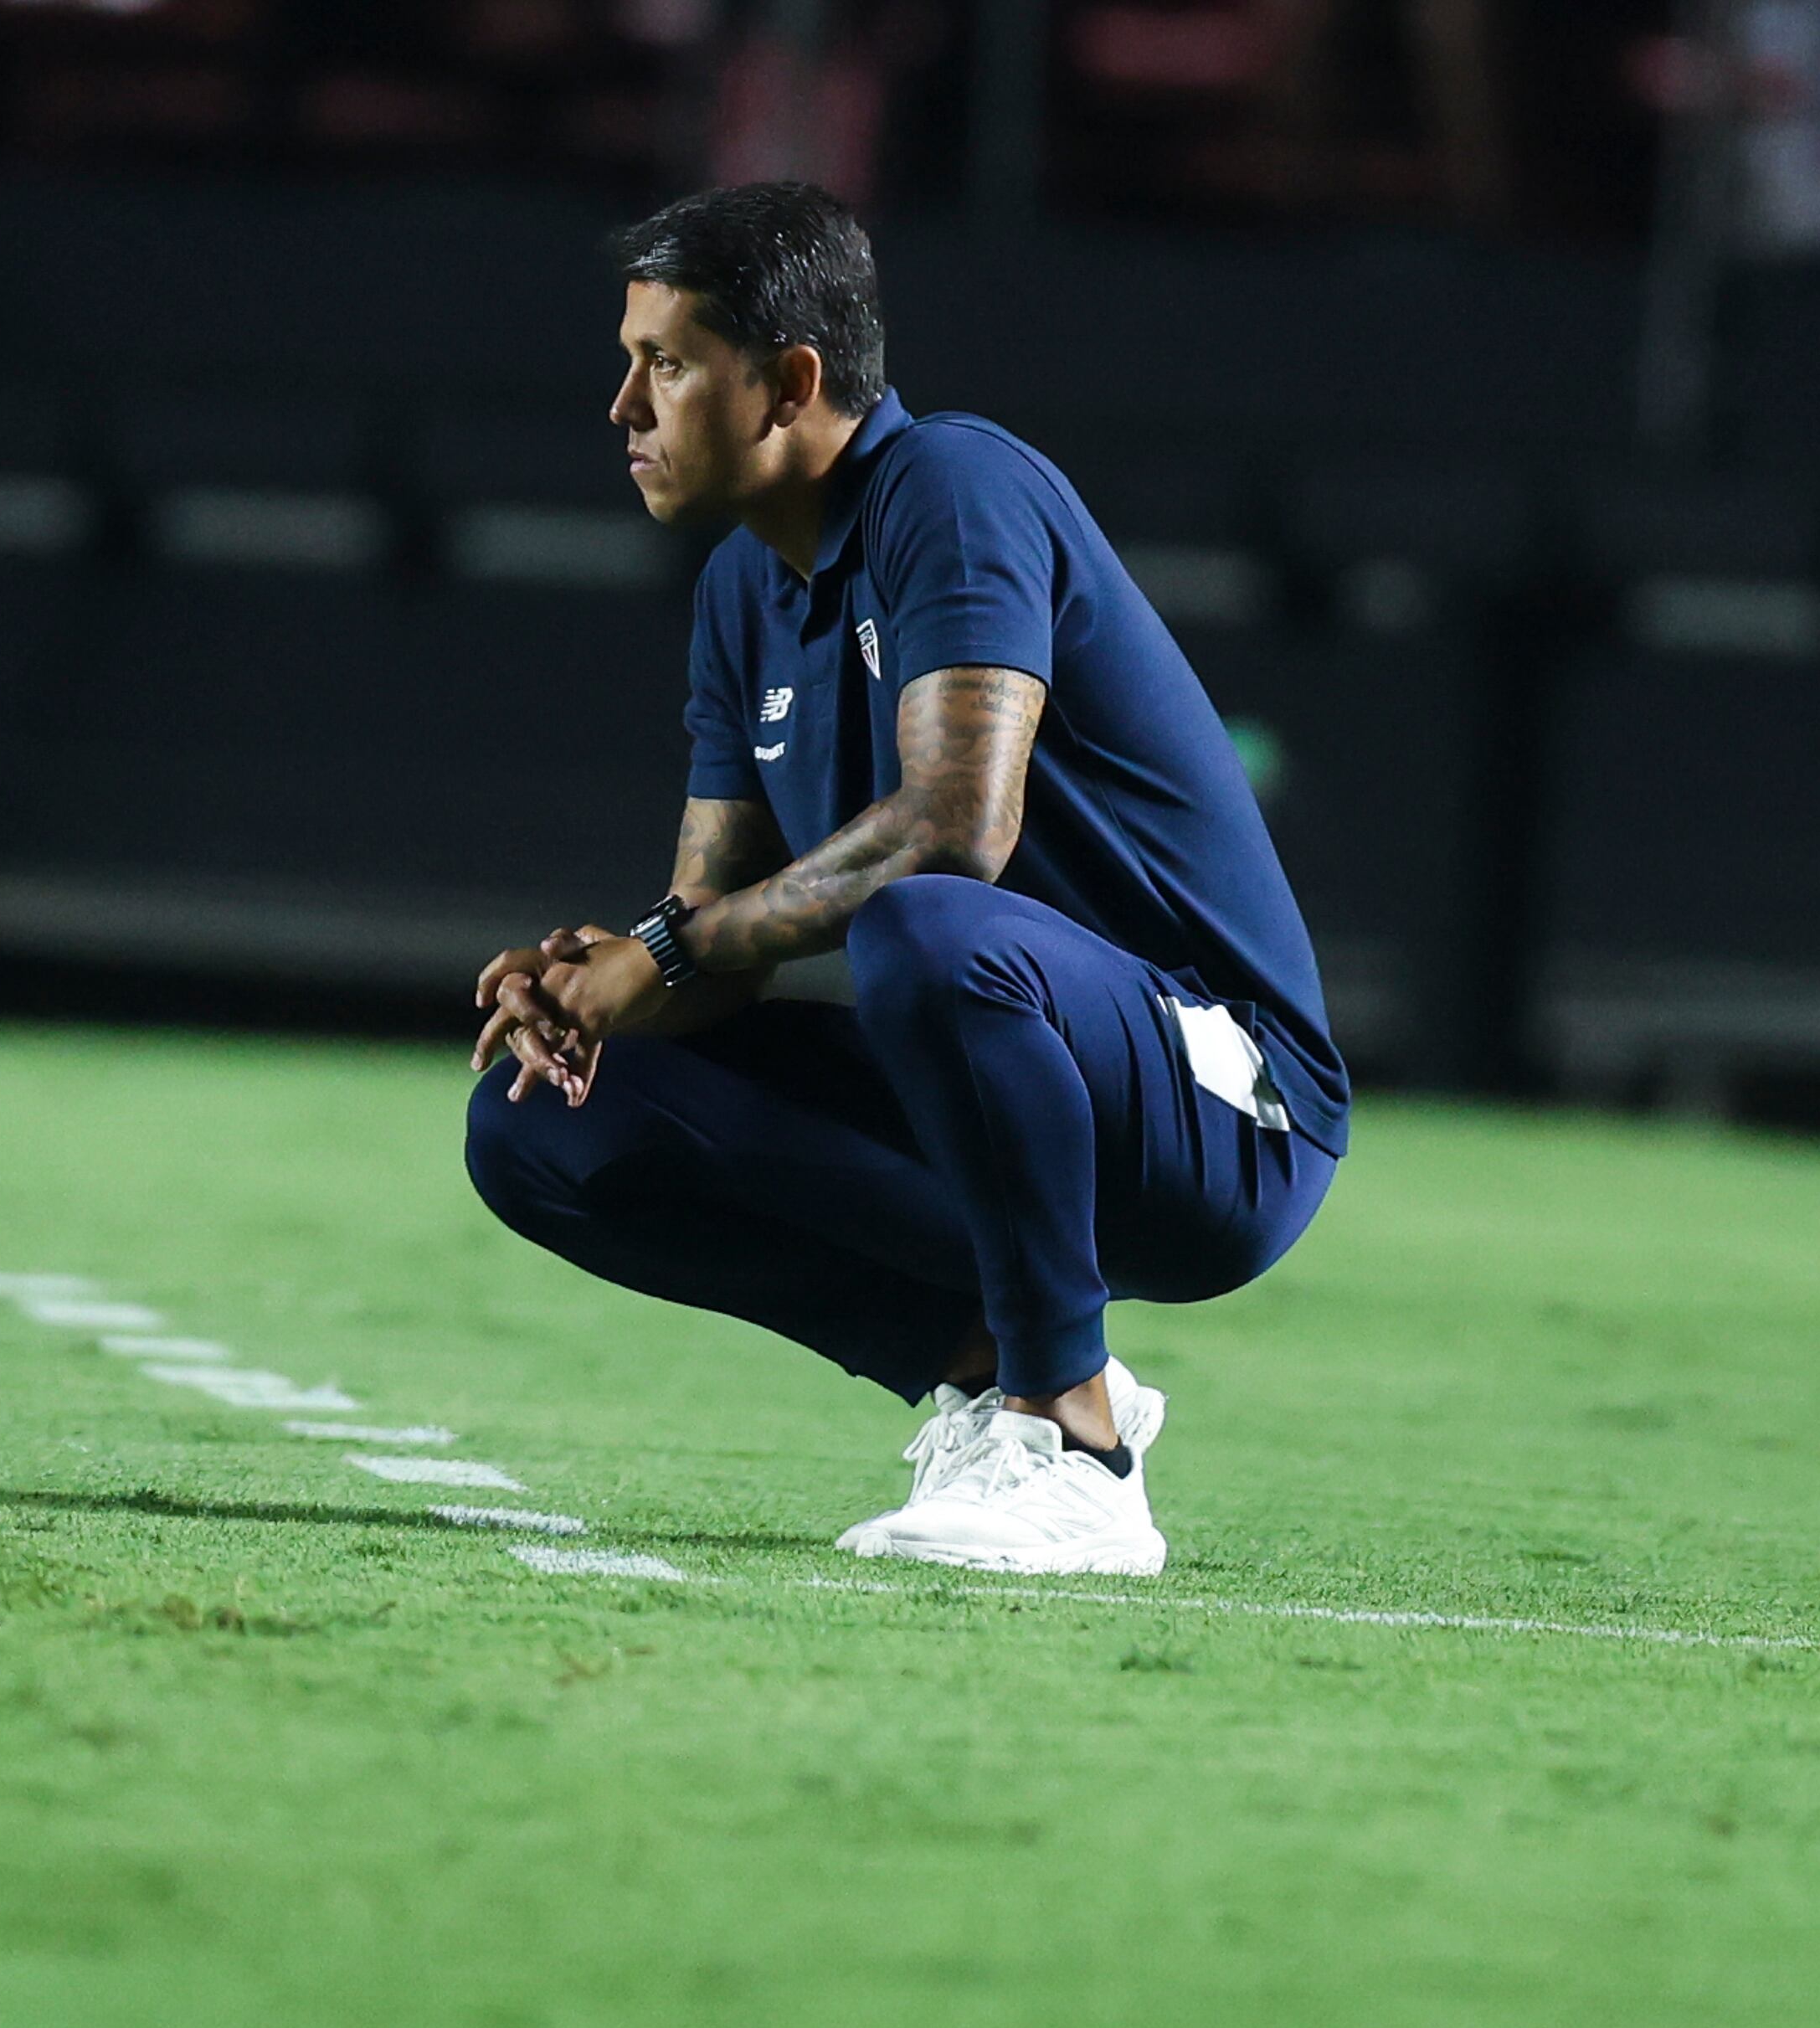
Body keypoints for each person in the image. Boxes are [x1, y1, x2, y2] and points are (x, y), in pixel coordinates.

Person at [464, 181, 1346, 1576]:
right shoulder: (741, 591)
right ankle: (1003, 1368)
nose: (623, 408)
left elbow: (953, 832)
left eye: (669, 364)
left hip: (1225, 1104)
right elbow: (714, 938)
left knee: (931, 930)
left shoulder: (953, 484)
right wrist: (608, 981)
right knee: (545, 1125)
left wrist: (675, 955)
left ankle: (1081, 1454)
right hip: (992, 1063)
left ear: (791, 384)